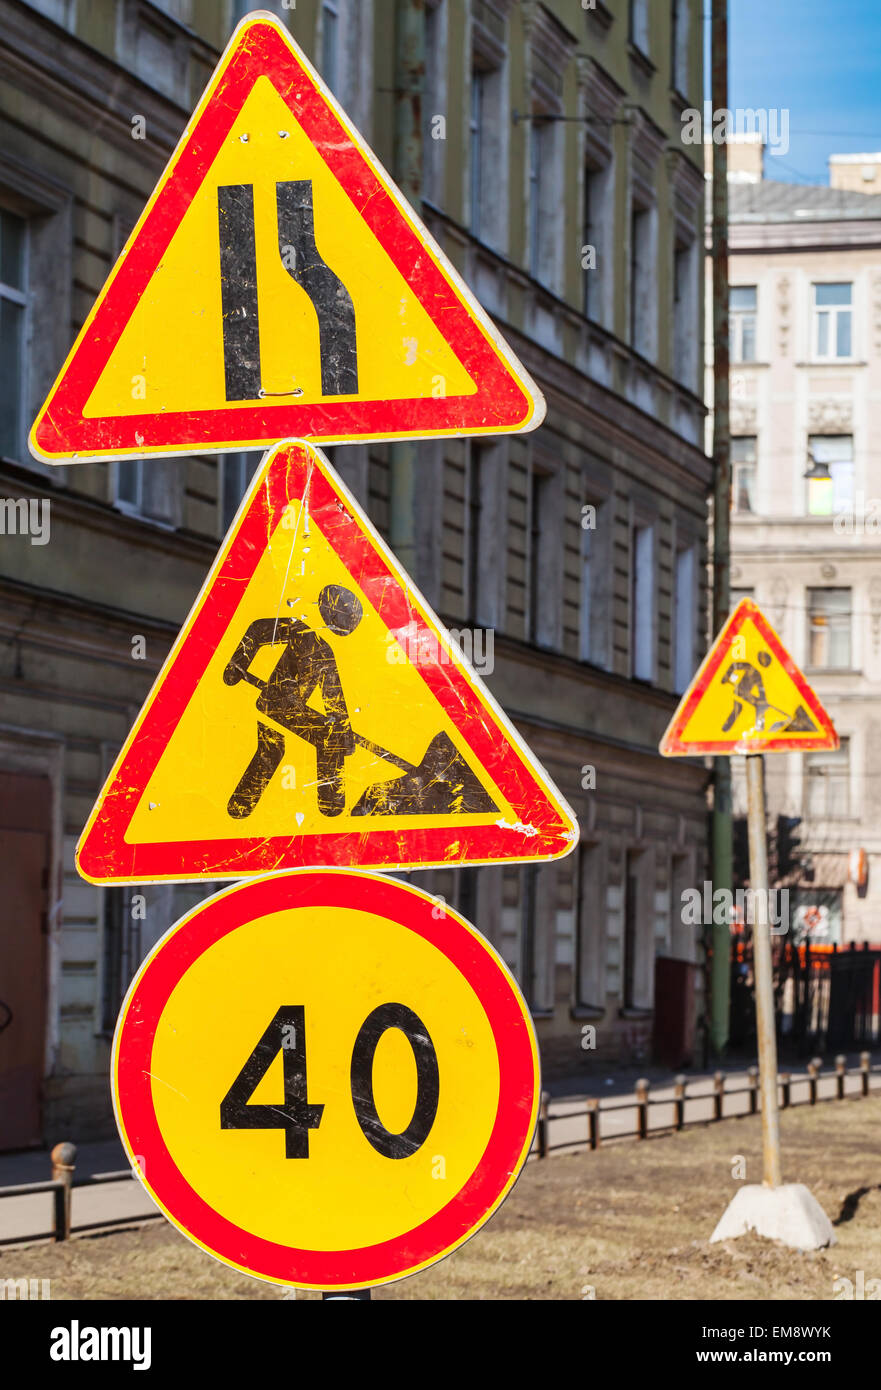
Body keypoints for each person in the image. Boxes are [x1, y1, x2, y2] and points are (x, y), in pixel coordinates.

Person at [223, 584, 363, 818]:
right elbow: (258, 630)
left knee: (322, 739)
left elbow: (334, 696)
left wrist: (343, 730)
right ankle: (240, 808)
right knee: (273, 750)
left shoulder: (326, 652)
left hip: (293, 708)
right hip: (275, 700)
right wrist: (236, 665)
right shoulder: (298, 629)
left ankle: (330, 805)